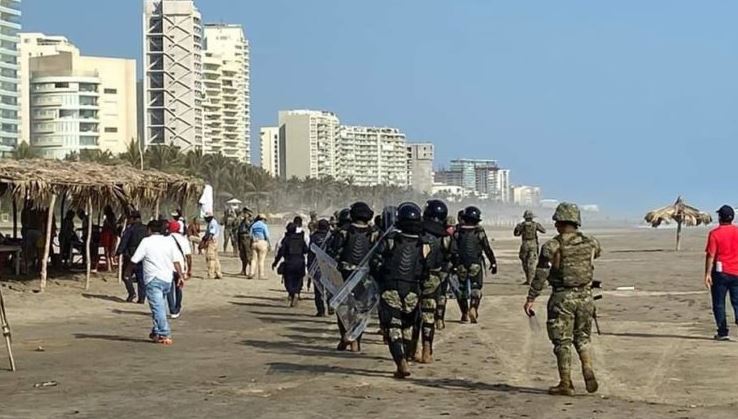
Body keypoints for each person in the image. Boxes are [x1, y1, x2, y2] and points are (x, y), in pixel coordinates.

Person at [523, 202, 601, 396]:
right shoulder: (592, 242)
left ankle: (566, 383)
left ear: (558, 222)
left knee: (562, 341)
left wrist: (531, 297)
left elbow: (541, 274)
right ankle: (587, 366)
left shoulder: (552, 246)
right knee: (583, 337)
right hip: (586, 297)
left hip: (562, 298)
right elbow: (596, 254)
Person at [371, 202, 429, 379]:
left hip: (391, 287)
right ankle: (408, 357)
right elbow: (426, 268)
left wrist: (380, 280)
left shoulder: (389, 239)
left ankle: (400, 362)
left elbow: (374, 262)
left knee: (393, 327)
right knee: (407, 327)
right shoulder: (424, 244)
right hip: (412, 290)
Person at [125, 219, 185, 345]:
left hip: (153, 279)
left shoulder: (146, 242)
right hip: (167, 279)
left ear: (150, 230)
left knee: (158, 308)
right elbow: (176, 261)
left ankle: (164, 333)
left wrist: (127, 273)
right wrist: (180, 276)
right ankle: (157, 331)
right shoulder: (168, 241)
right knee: (159, 306)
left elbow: (135, 259)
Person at [329, 202, 378, 352]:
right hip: (365, 276)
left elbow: (333, 252)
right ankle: (356, 340)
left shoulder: (343, 231)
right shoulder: (374, 233)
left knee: (342, 307)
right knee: (361, 308)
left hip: (344, 274)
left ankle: (345, 336)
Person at [419, 199, 453, 363]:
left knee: (410, 315)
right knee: (428, 316)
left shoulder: (418, 230)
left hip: (414, 277)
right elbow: (452, 256)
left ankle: (411, 350)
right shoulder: (445, 237)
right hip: (434, 278)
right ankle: (427, 348)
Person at [451, 206, 497, 323]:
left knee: (461, 290)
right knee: (476, 288)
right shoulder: (479, 231)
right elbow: (487, 247)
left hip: (461, 264)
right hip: (475, 263)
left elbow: (453, 249)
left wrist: (454, 264)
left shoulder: (457, 231)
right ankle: (473, 307)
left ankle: (464, 313)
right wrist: (493, 262)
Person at [705, 205, 738, 341]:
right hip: (736, 272)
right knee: (737, 302)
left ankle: (723, 331)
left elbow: (711, 255)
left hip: (720, 273)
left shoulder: (715, 233)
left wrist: (707, 273)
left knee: (719, 303)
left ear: (720, 218)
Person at [272, 222, 309, 307]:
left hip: (289, 263)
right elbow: (306, 250)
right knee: (298, 280)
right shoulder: (301, 238)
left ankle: (292, 294)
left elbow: (281, 252)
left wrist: (275, 262)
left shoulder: (286, 239)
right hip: (300, 262)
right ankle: (296, 293)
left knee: (288, 282)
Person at [116, 210, 148, 303]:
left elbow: (124, 241)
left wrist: (119, 252)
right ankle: (142, 298)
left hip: (131, 255)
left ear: (132, 219)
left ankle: (132, 292)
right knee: (141, 277)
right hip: (143, 256)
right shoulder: (146, 228)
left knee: (126, 275)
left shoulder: (130, 229)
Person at [166, 220, 192, 319]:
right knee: (179, 288)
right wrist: (189, 269)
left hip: (168, 267)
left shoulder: (166, 239)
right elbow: (188, 256)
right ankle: (177, 307)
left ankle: (172, 309)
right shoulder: (183, 239)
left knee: (169, 289)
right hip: (180, 267)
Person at [514, 210, 547, 285]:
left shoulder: (522, 225)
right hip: (533, 244)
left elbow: (516, 234)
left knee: (525, 262)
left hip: (525, 244)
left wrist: (517, 228)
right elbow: (543, 231)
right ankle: (531, 280)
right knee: (531, 263)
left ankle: (528, 279)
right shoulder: (535, 224)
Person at [309, 219, 331, 317]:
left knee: (318, 289)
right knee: (331, 288)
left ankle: (321, 311)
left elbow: (310, 252)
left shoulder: (313, 237)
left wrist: (309, 267)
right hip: (329, 266)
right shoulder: (331, 236)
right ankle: (331, 306)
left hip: (316, 265)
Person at [249, 214, 271, 280]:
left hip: (254, 242)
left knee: (253, 259)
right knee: (261, 260)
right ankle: (261, 275)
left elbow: (250, 235)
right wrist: (269, 244)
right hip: (262, 242)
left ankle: (251, 273)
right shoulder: (264, 225)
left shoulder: (253, 225)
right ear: (263, 219)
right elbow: (267, 236)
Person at [201, 212, 223, 279]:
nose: (205, 219)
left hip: (212, 242)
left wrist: (206, 241)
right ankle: (218, 273)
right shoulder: (211, 223)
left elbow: (211, 234)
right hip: (214, 242)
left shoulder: (213, 223)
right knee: (215, 258)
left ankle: (211, 274)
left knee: (210, 258)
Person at [236, 208, 254, 277]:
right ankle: (243, 270)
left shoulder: (250, 221)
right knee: (243, 255)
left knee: (248, 255)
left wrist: (246, 219)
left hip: (246, 238)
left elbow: (249, 228)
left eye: (245, 213)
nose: (243, 214)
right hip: (241, 238)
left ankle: (251, 271)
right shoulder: (242, 221)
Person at [100, 205, 118, 272]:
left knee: (107, 252)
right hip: (112, 235)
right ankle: (110, 266)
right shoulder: (113, 218)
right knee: (111, 251)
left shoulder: (107, 219)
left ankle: (109, 267)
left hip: (107, 235)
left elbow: (106, 227)